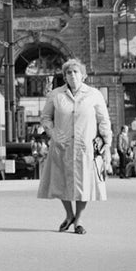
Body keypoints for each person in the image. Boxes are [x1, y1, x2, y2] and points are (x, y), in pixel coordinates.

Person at [37, 59, 112, 235]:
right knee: (60, 182)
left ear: (83, 75)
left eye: (76, 72)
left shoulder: (94, 95)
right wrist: (53, 133)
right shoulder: (55, 95)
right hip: (61, 146)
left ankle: (78, 220)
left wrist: (107, 143)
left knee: (84, 184)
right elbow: (45, 118)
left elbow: (103, 120)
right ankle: (69, 214)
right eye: (68, 73)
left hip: (85, 147)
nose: (72, 75)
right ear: (64, 77)